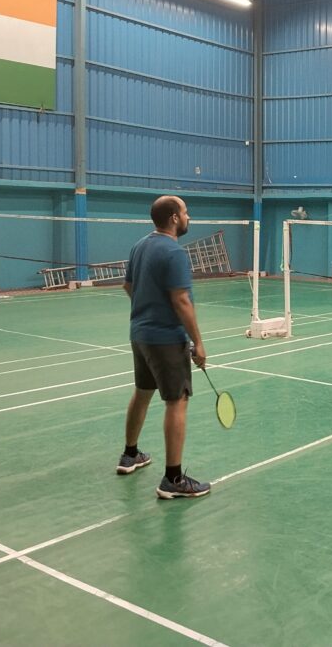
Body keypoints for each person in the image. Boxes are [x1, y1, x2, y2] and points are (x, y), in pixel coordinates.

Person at [117, 195, 210, 500]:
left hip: (140, 334)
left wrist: (147, 309)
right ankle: (173, 479)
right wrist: (198, 342)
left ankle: (130, 455)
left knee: (143, 392)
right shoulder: (174, 252)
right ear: (174, 218)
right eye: (185, 212)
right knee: (177, 400)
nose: (188, 217)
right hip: (166, 338)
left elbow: (128, 286)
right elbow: (181, 300)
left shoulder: (139, 246)